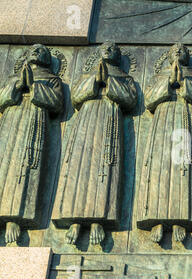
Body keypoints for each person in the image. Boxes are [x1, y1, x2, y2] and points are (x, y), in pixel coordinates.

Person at [52, 42, 137, 246]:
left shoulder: (125, 78)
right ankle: (74, 218)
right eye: (105, 47)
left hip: (110, 120)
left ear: (118, 56)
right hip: (87, 120)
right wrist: (94, 81)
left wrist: (109, 83)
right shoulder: (87, 75)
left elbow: (130, 100)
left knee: (105, 168)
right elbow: (77, 97)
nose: (108, 50)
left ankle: (100, 218)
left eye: (113, 48)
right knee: (78, 167)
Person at [137, 43, 192, 243]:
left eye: (183, 50)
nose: (178, 52)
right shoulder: (159, 76)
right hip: (163, 121)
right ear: (167, 57)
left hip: (185, 119)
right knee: (159, 168)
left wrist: (185, 84)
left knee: (183, 169)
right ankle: (156, 219)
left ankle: (181, 218)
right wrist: (168, 82)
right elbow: (149, 100)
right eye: (174, 50)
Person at [0, 44, 64, 243]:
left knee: (26, 167)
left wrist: (35, 87)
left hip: (34, 122)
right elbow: (2, 99)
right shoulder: (13, 79)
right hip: (11, 122)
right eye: (33, 49)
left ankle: (16, 217)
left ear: (48, 59)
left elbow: (56, 103)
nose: (37, 51)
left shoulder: (52, 80)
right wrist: (18, 86)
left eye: (42, 50)